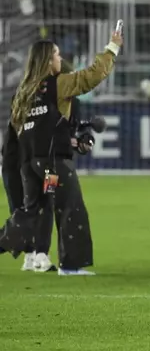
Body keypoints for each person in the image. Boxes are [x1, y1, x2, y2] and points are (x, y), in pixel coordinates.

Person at [0, 31, 122, 277]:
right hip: (53, 164)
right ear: (47, 61)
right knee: (70, 207)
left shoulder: (22, 94)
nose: (59, 58)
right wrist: (112, 48)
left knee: (31, 210)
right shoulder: (58, 83)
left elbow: (22, 132)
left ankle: (4, 242)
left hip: (30, 165)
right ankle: (70, 265)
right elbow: (92, 76)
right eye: (56, 54)